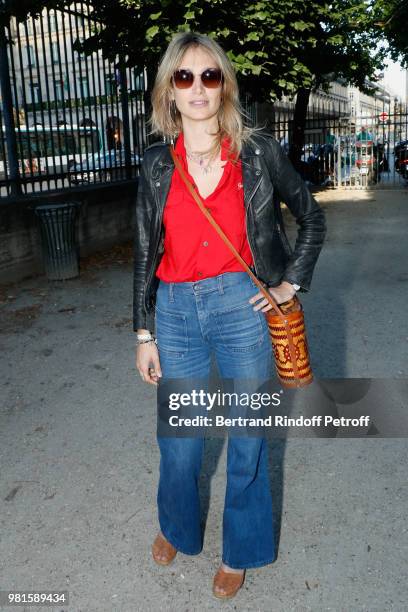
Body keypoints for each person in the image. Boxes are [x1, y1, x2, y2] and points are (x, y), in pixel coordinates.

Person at [133, 31, 326, 599]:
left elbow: (312, 219)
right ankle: (176, 525)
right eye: (185, 77)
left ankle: (240, 550)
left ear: (225, 86)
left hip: (242, 308)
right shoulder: (154, 163)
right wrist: (143, 331)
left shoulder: (258, 151)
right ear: (169, 89)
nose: (197, 87)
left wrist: (288, 284)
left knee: (247, 436)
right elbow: (146, 251)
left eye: (209, 76)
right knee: (181, 440)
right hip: (174, 310)